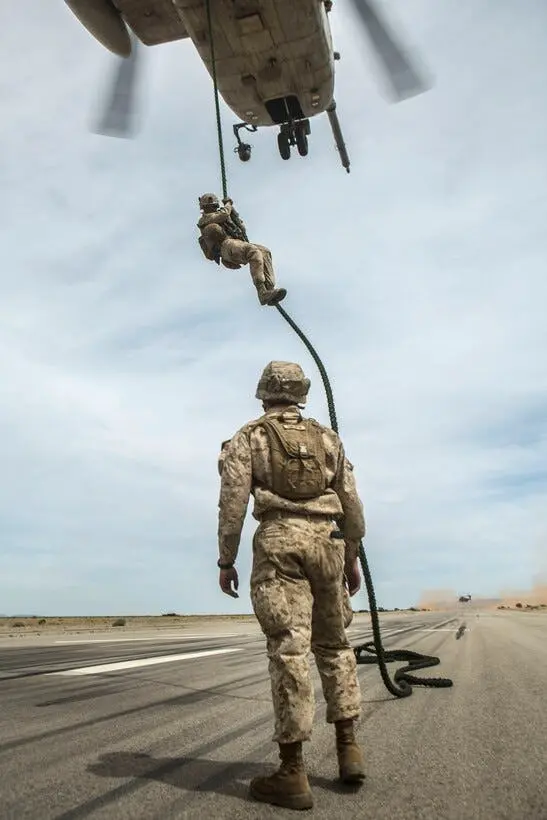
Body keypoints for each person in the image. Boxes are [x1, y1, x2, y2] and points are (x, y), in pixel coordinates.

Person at [216, 360, 366, 811]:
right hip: (328, 545)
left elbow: (232, 502)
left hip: (280, 543)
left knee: (290, 647)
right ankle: (348, 748)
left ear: (264, 394)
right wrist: (351, 557)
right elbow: (352, 503)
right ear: (301, 394)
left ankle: (293, 772)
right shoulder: (327, 438)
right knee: (336, 644)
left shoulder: (250, 437)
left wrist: (226, 558)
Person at [197, 193, 287, 307]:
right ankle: (262, 292)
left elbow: (241, 227)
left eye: (214, 206)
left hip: (236, 242)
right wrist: (228, 205)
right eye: (211, 206)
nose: (213, 208)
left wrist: (233, 213)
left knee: (264, 251)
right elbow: (223, 215)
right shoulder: (205, 219)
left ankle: (269, 288)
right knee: (253, 251)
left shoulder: (224, 214)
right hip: (225, 246)